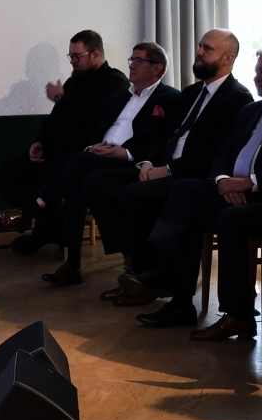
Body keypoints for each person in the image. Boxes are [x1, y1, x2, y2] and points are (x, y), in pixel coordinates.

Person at [134, 47, 262, 333]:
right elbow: (223, 154)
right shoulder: (250, 111)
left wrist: (251, 182)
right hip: (231, 190)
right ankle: (177, 298)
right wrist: (221, 181)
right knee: (185, 192)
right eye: (256, 71)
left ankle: (238, 315)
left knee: (230, 219)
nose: (256, 78)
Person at [102, 30, 252, 305]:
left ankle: (154, 281)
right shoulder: (192, 93)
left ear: (228, 58)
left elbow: (214, 154)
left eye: (207, 49)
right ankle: (141, 275)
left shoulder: (237, 98)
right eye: (200, 46)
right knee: (117, 187)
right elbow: (168, 136)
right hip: (170, 169)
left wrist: (168, 170)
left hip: (197, 176)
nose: (199, 52)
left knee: (144, 195)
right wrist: (151, 163)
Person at [40, 42, 180, 288]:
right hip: (102, 155)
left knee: (85, 175)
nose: (131, 65)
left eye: (138, 61)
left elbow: (160, 142)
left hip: (134, 162)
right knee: (77, 182)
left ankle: (44, 202)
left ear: (157, 68)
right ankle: (75, 263)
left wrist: (125, 153)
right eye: (131, 59)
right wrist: (94, 145)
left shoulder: (169, 98)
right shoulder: (123, 96)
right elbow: (94, 124)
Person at [11, 29, 131, 254]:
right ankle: (43, 229)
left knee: (63, 167)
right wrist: (39, 142)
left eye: (77, 56)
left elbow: (90, 120)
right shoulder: (75, 80)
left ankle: (39, 221)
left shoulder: (115, 81)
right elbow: (57, 118)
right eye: (71, 56)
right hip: (63, 147)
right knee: (23, 164)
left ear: (95, 54)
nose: (72, 61)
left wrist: (60, 97)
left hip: (91, 151)